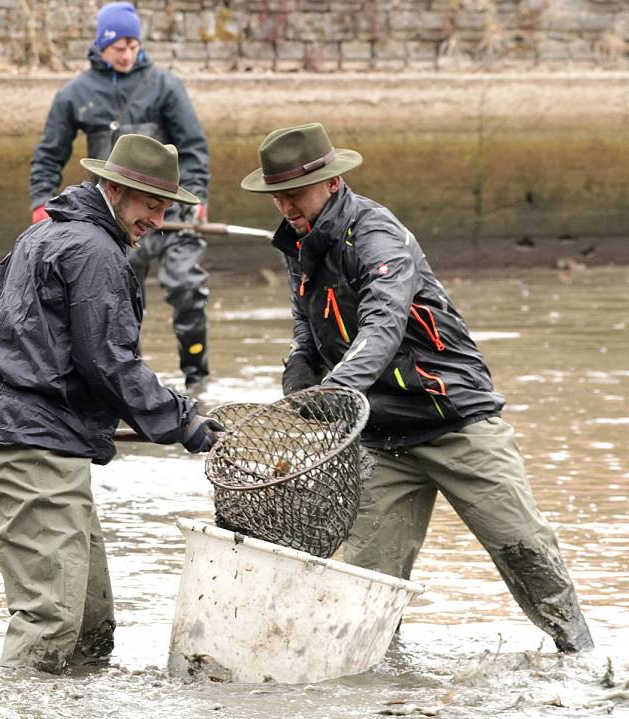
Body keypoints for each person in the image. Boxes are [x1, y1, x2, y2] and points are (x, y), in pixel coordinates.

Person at [240, 122, 594, 653]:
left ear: (332, 184)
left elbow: (383, 324)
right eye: (277, 196)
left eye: (295, 193)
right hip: (381, 438)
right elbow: (305, 321)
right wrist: (299, 366)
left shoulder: (378, 236)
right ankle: (381, 687)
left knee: (524, 550)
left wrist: (336, 390)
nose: (286, 205)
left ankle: (583, 660)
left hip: (455, 420)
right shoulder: (298, 244)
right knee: (365, 589)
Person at [0, 133, 224, 674]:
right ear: (114, 189)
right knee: (49, 623)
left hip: (38, 446)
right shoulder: (96, 253)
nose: (158, 222)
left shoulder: (42, 234)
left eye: (165, 209)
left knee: (91, 626)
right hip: (33, 453)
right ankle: (17, 709)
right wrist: (182, 421)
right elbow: (109, 361)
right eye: (151, 207)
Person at [29, 1, 211, 394]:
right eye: (118, 47)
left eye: (133, 45)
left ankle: (197, 379)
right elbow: (49, 154)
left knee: (186, 286)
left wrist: (197, 197)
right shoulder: (74, 93)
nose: (127, 54)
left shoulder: (165, 86)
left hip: (170, 211)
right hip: (113, 217)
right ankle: (131, 384)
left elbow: (194, 147)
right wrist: (41, 201)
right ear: (101, 44)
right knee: (119, 302)